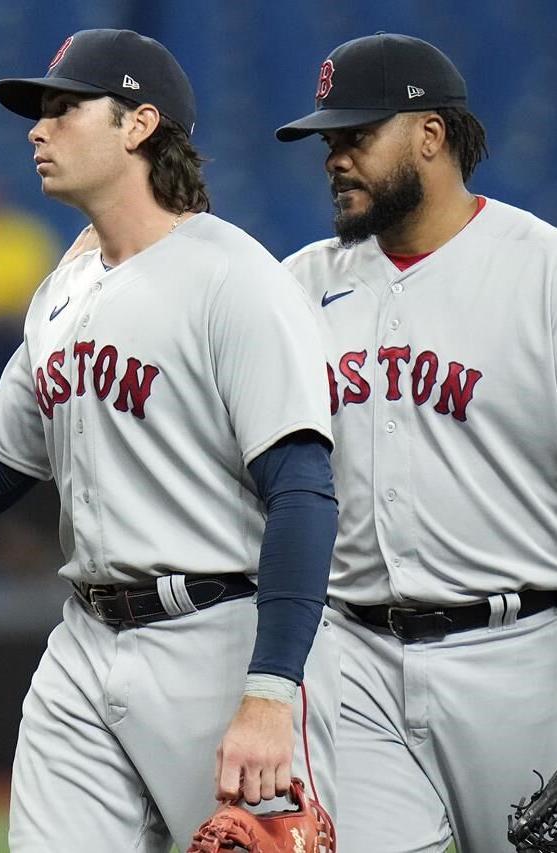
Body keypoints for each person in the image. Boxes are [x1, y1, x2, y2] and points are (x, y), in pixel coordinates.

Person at [0, 29, 340, 852]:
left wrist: (270, 692)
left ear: (138, 124)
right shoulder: (64, 290)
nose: (35, 129)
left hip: (216, 637)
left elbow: (301, 491)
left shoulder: (237, 280)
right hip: (83, 638)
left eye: (62, 108)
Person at [276, 32, 557, 853]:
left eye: (355, 136)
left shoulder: (540, 273)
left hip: (521, 653)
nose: (334, 157)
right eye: (328, 140)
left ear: (429, 135)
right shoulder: (298, 285)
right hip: (354, 655)